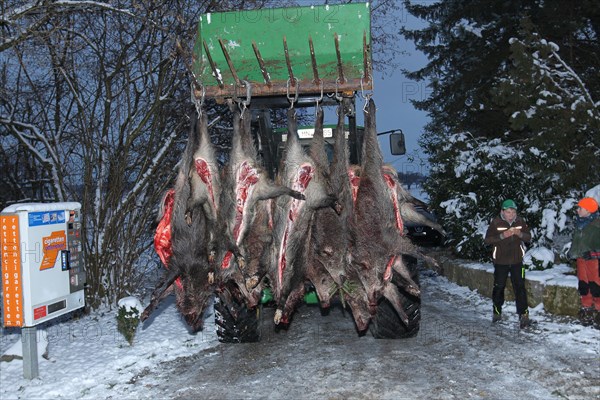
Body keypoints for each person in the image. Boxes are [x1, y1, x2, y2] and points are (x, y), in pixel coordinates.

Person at [484, 199, 534, 329]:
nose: (511, 215)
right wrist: (502, 236)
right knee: (499, 287)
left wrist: (520, 233)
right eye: (508, 212)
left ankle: (524, 315)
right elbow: (487, 240)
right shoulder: (496, 223)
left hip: (517, 261)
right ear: (502, 212)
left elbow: (528, 237)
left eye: (513, 212)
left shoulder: (520, 222)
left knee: (520, 287)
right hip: (500, 262)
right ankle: (497, 311)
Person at [567, 197, 600, 329]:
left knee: (596, 286)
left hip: (595, 262)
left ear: (588, 210)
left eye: (580, 208)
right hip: (581, 260)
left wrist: (593, 253)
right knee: (584, 286)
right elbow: (578, 242)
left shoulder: (597, 225)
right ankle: (587, 311)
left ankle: (598, 312)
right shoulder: (580, 223)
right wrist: (572, 252)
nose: (577, 210)